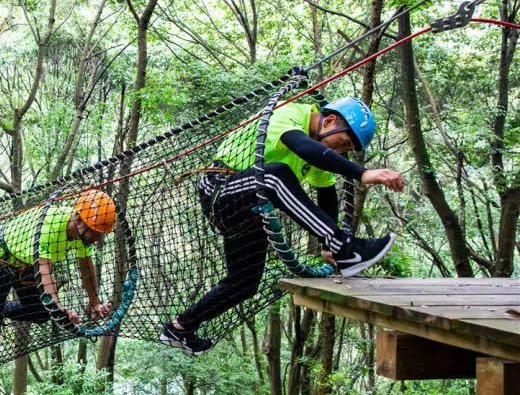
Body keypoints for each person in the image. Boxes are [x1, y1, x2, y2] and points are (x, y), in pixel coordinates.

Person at [163, 96, 405, 355]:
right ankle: (348, 251)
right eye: (342, 144)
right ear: (330, 121)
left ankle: (180, 329)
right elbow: (301, 146)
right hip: (220, 191)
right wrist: (362, 173)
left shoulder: (318, 152)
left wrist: (327, 245)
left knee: (244, 282)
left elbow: (326, 194)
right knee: (275, 175)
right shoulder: (287, 113)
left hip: (249, 208)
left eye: (346, 152)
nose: (340, 152)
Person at [0, 189, 116, 377]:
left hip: (25, 262)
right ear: (78, 218)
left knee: (42, 313)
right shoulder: (51, 224)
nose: (96, 238)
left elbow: (86, 268)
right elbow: (45, 272)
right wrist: (60, 310)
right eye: (94, 232)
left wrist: (95, 302)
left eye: (99, 234)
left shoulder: (83, 238)